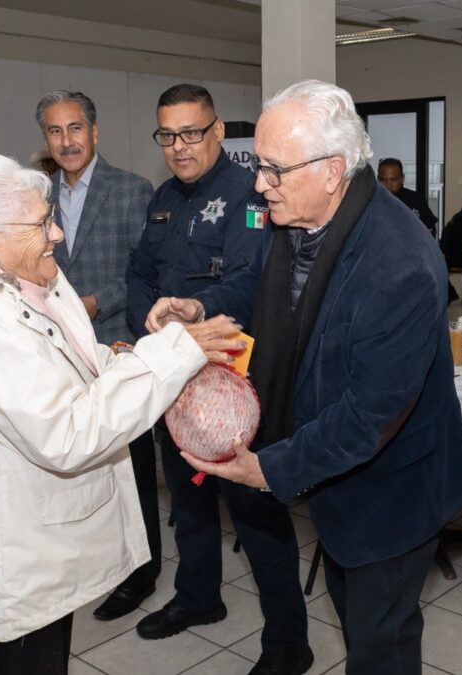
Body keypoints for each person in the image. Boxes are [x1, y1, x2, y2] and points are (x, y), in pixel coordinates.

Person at [147, 80, 462, 675]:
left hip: (393, 491)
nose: (258, 184)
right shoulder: (301, 218)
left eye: (274, 170)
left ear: (332, 171)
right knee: (354, 614)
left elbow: (370, 416)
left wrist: (266, 468)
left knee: (382, 643)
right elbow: (261, 285)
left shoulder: (396, 263)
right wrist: (199, 306)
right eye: (258, 166)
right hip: (339, 480)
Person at [0, 152, 242, 675]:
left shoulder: (31, 285)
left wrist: (144, 352)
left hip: (32, 545)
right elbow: (70, 432)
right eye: (39, 223)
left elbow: (76, 361)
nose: (55, 233)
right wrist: (174, 355)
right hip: (10, 560)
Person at [121, 84, 310, 675]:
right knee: (189, 495)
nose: (179, 147)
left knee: (254, 508)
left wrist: (191, 314)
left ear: (219, 132)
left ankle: (287, 643)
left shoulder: (249, 195)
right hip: (177, 377)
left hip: (234, 382)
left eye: (191, 132)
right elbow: (139, 274)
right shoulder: (163, 201)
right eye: (167, 135)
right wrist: (152, 328)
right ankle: (199, 598)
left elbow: (253, 282)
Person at [37, 90, 153, 345]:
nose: (66, 141)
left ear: (94, 132)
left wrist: (97, 303)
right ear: (46, 139)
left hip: (115, 340)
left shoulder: (132, 190)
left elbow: (146, 271)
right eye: (55, 131)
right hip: (56, 343)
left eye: (75, 128)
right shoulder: (38, 196)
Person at [377, 158, 438, 237]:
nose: (388, 185)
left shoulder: (416, 200)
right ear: (378, 179)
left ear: (402, 178)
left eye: (393, 179)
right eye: (383, 180)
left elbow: (430, 231)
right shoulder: (371, 203)